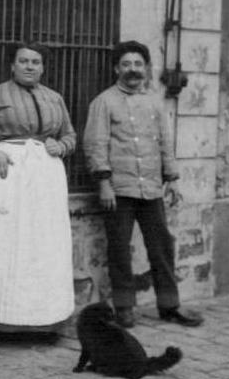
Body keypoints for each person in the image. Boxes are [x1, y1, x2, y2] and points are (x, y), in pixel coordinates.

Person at [0, 43, 76, 340]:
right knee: (4, 243)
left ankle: (43, 321)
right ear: (12, 65)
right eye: (23, 61)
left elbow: (71, 134)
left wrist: (60, 146)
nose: (29, 66)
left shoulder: (54, 98)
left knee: (42, 247)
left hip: (45, 178)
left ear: (43, 67)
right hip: (6, 172)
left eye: (35, 62)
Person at [82, 40, 203, 329]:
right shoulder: (103, 102)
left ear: (146, 69)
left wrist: (172, 180)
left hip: (151, 188)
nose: (132, 70)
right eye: (126, 64)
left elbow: (165, 144)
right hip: (119, 190)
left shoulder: (155, 103)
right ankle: (124, 307)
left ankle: (170, 304)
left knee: (161, 246)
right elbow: (94, 144)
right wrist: (104, 183)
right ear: (116, 68)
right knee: (120, 250)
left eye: (138, 64)